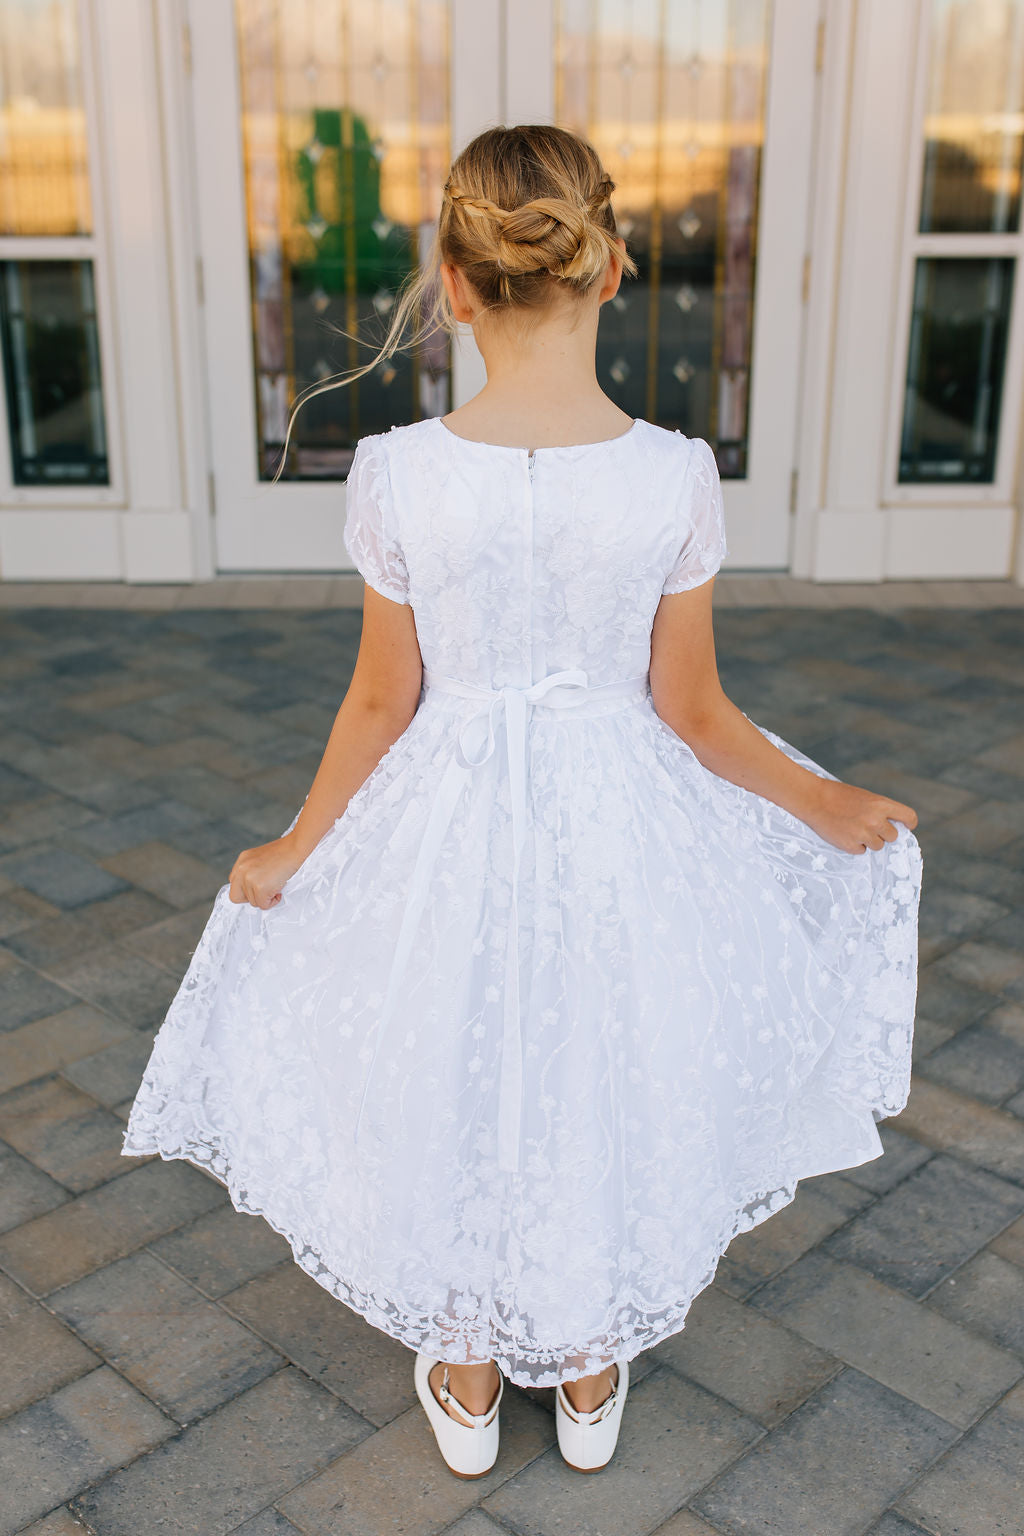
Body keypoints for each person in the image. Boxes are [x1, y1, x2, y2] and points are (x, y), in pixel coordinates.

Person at [121, 123, 923, 1481]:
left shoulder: (401, 471)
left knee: (454, 1043)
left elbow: (383, 702)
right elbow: (695, 712)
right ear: (613, 269)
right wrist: (824, 799)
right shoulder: (673, 471)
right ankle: (593, 1356)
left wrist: (300, 848)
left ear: (453, 276)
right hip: (624, 821)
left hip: (449, 811)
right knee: (604, 1046)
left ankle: (472, 1351)